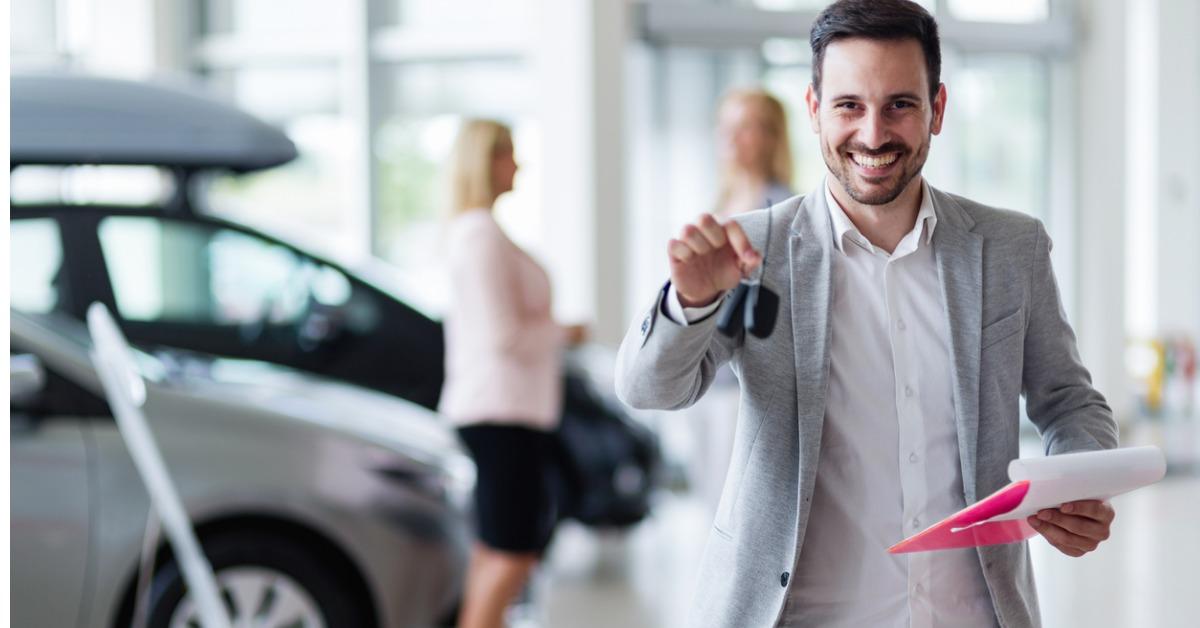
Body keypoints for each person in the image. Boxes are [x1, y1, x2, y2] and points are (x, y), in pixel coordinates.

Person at [615, 1, 1118, 626]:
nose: (874, 134)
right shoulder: (753, 249)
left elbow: (1069, 400)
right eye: (849, 105)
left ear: (937, 108)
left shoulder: (1010, 248)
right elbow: (648, 389)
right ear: (813, 108)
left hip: (968, 611)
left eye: (900, 105)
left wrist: (1076, 479)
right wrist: (688, 302)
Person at [439, 119, 583, 628]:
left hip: (504, 412)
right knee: (513, 552)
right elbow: (504, 336)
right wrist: (565, 332)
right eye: (509, 155)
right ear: (487, 161)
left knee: (494, 549)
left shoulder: (481, 232)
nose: (518, 165)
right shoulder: (479, 236)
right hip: (500, 413)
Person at [714, 88, 796, 219]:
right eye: (726, 125)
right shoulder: (723, 199)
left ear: (771, 137)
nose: (731, 137)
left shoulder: (785, 206)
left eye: (745, 126)